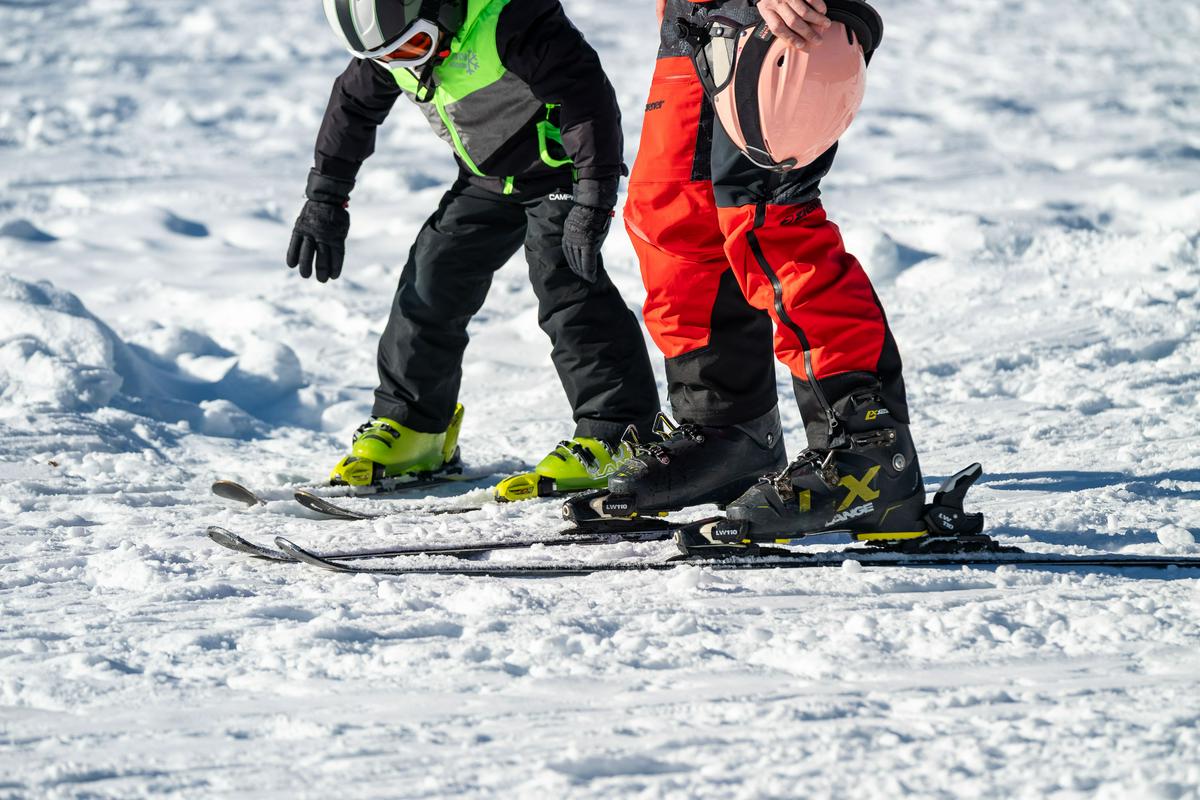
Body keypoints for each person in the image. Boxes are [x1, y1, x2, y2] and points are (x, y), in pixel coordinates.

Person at [579, 0, 933, 546]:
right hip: (695, 14)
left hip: (785, 17)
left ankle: (867, 454)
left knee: (770, 219)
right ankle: (730, 429)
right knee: (672, 212)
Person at [288, 0, 659, 501]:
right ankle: (416, 429)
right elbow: (352, 108)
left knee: (565, 287)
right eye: (387, 60)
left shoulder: (513, 22)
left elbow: (586, 102)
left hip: (559, 173)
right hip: (487, 179)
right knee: (431, 277)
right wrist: (325, 199)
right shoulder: (394, 48)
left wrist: (592, 200)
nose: (408, 66)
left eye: (415, 47)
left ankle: (620, 434)